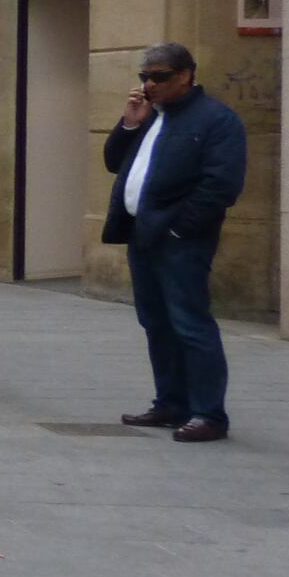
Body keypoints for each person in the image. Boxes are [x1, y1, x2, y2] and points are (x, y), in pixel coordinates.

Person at [104, 41, 247, 443]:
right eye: (144, 77)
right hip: (142, 235)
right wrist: (130, 123)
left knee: (189, 323)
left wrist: (178, 228)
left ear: (186, 75)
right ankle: (171, 402)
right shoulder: (151, 117)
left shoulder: (216, 120)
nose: (149, 84)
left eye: (159, 76)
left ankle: (208, 414)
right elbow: (114, 161)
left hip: (180, 240)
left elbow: (221, 185)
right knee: (156, 323)